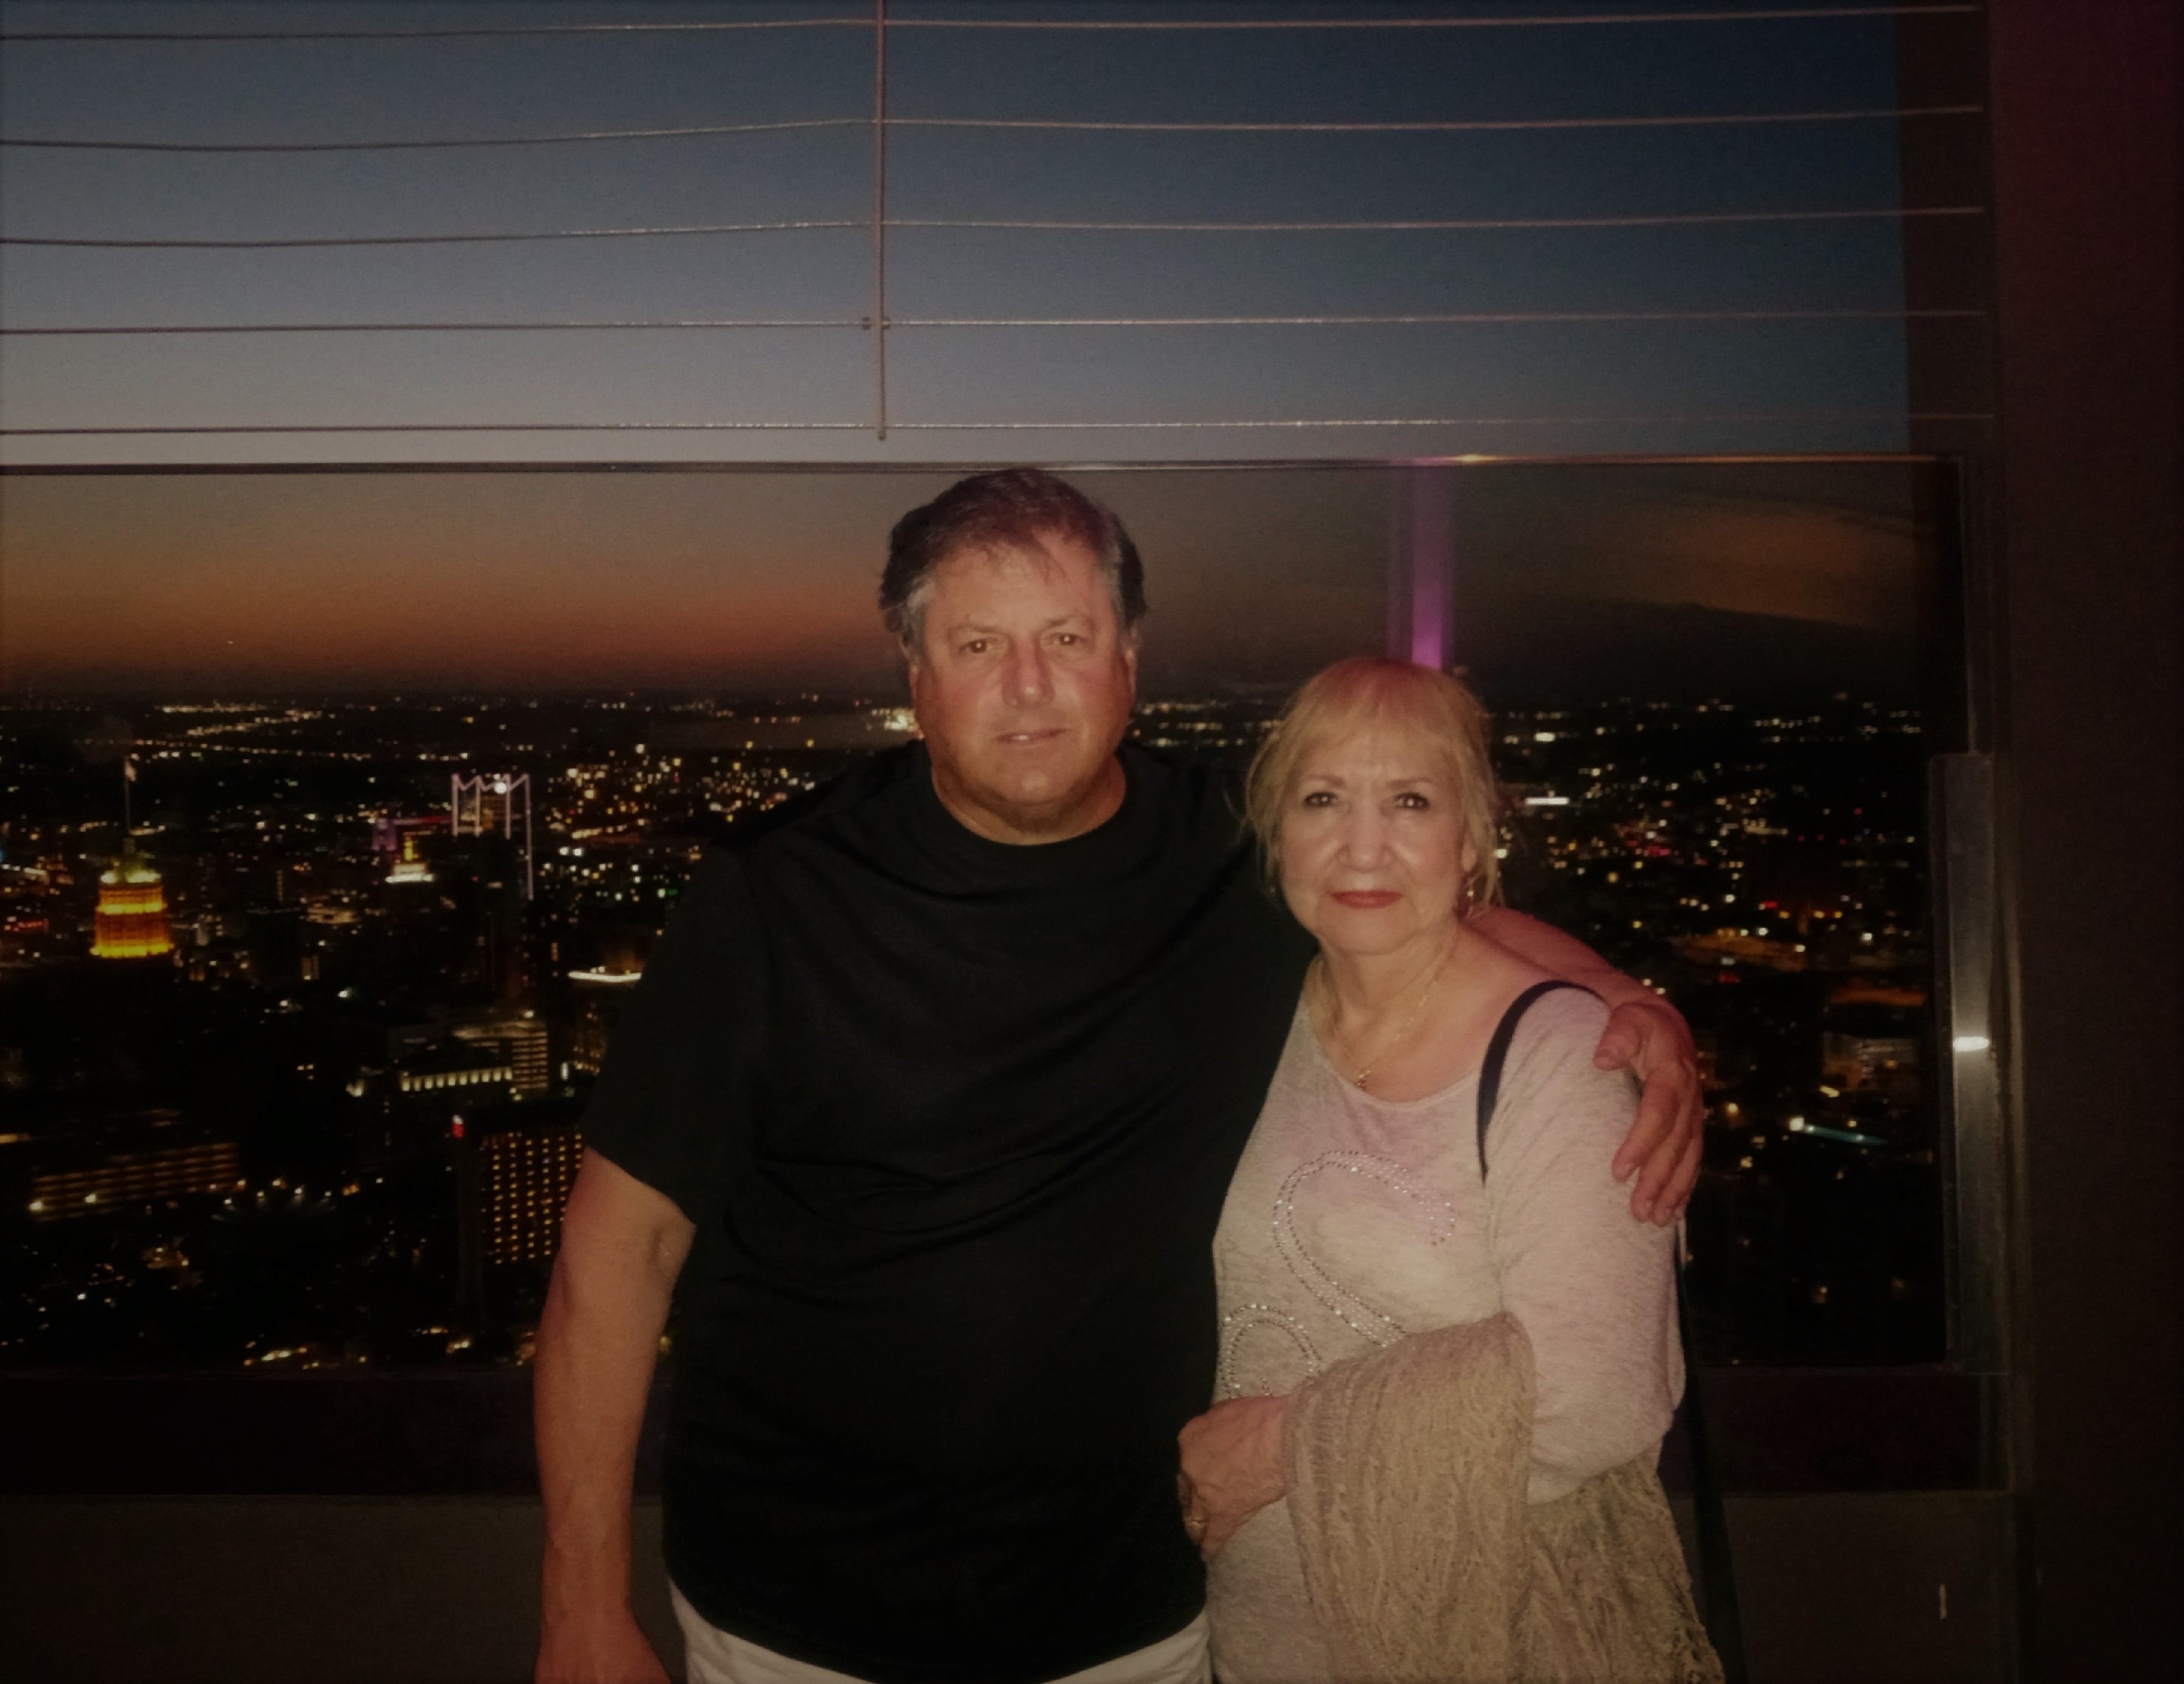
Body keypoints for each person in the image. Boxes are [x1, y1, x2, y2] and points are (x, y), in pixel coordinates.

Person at [534, 471, 1705, 1684]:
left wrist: (1625, 1001)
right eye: (979, 643)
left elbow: (1410, 901)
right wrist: (578, 1604)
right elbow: (616, 1254)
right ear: (915, 673)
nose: (1027, 685)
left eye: (1066, 638)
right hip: (792, 1619)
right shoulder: (772, 899)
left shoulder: (1227, 859)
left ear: (1128, 659)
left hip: (1134, 1615)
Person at [1179, 657, 1719, 1682]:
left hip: (1488, 1637)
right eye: (1323, 798)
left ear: (1470, 838)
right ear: (1275, 831)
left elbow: (1592, 1397)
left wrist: (1283, 1450)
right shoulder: (1255, 1006)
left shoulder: (1560, 1059)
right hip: (1251, 1648)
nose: (1362, 843)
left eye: (1410, 801)